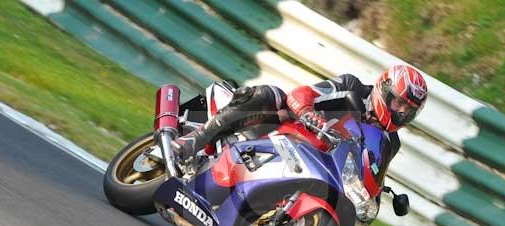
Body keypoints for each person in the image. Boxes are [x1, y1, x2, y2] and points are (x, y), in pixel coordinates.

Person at [171, 64, 428, 163]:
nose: (401, 112)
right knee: (270, 95)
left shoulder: (390, 143)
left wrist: (373, 198)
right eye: (399, 103)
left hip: (318, 164)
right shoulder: (352, 86)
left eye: (408, 110)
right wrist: (307, 112)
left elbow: (372, 172)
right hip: (286, 129)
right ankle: (192, 141)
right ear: (385, 89)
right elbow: (304, 92)